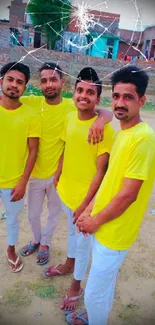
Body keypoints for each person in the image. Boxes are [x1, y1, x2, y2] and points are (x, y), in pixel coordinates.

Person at [66, 65, 155, 325]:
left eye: (128, 97)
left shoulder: (143, 139)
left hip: (114, 234)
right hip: (104, 226)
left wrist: (95, 220)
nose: (120, 103)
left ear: (142, 100)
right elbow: (109, 183)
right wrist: (89, 209)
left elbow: (128, 195)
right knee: (102, 286)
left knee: (93, 293)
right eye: (116, 96)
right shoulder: (122, 133)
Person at [20, 62, 113, 265]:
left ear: (63, 82)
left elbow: (103, 110)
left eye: (53, 79)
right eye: (44, 80)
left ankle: (45, 243)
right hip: (36, 173)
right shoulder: (33, 102)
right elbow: (8, 97)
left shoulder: (72, 105)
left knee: (54, 215)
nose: (49, 84)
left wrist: (101, 120)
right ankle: (36, 239)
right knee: (33, 214)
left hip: (58, 178)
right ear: (39, 84)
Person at [43, 67, 114, 314]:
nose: (83, 95)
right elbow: (67, 146)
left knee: (83, 244)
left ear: (98, 98)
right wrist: (59, 172)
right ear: (73, 93)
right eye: (80, 90)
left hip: (86, 201)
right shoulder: (70, 118)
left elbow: (101, 173)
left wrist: (86, 204)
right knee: (72, 236)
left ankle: (76, 287)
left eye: (90, 92)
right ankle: (68, 265)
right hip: (66, 192)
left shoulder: (103, 129)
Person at [0, 62, 41, 272]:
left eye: (19, 82)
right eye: (10, 80)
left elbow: (33, 150)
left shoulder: (31, 115)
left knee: (13, 220)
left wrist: (23, 182)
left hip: (13, 182)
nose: (14, 85)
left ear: (25, 88)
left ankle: (10, 250)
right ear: (1, 81)